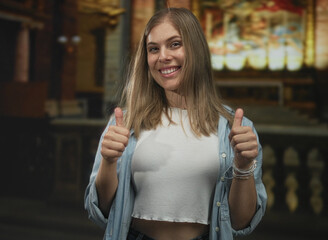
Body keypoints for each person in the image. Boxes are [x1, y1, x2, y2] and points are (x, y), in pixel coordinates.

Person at [84, 7, 267, 240]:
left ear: (196, 49)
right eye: (153, 49)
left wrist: (243, 168)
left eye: (174, 44)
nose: (162, 56)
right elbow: (100, 211)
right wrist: (109, 162)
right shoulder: (126, 123)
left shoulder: (235, 130)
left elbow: (241, 222)